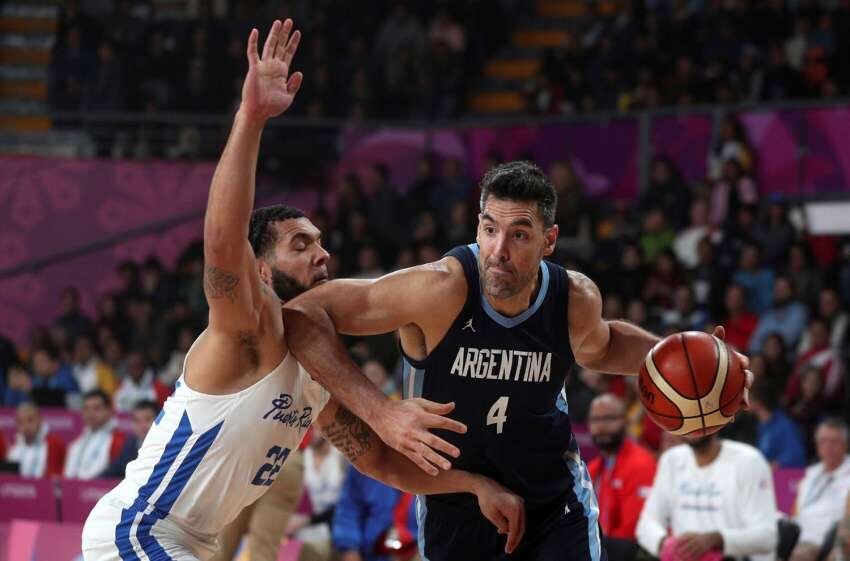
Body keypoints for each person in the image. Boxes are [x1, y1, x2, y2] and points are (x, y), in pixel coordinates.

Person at [82, 20, 524, 561]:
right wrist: (250, 119)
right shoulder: (246, 329)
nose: (322, 253)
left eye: (320, 241)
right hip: (140, 529)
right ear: (261, 271)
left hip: (188, 543)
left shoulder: (315, 366)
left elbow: (377, 461)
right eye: (299, 243)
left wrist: (472, 484)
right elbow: (222, 239)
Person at [283, 160, 753, 560]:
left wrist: (694, 363)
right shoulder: (438, 289)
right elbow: (304, 313)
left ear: (549, 241)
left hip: (552, 499)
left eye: (519, 234)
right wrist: (379, 410)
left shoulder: (573, 298)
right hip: (456, 498)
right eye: (490, 229)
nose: (499, 251)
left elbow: (604, 346)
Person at [636, 432, 779, 560]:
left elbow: (767, 537)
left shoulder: (749, 461)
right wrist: (667, 544)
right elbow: (645, 524)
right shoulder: (671, 460)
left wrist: (716, 539)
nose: (694, 424)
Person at [586, 394, 656, 545]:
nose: (601, 426)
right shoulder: (592, 468)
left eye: (609, 418)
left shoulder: (640, 464)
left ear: (626, 421)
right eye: (595, 420)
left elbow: (634, 531)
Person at [791, 418, 850, 561]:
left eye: (834, 441)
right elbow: (796, 512)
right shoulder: (810, 473)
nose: (828, 446)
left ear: (846, 445)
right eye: (823, 441)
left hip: (824, 539)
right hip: (797, 534)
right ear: (817, 445)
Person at [333, 465, 419, 561]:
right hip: (370, 551)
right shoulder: (363, 463)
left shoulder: (426, 465)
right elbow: (348, 510)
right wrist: (349, 547)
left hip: (414, 548)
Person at [65, 389, 127, 479]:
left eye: (96, 408)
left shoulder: (119, 441)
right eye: (86, 408)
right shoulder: (76, 444)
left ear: (109, 410)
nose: (90, 414)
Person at [749, 377, 807, 468]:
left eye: (748, 398)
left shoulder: (783, 425)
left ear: (758, 402)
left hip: (779, 479)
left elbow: (795, 454)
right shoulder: (756, 425)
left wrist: (770, 466)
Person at [6, 402, 66, 478]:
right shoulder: (12, 445)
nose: (26, 426)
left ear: (40, 420)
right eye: (20, 422)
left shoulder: (55, 444)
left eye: (30, 420)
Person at [100, 399, 159, 478]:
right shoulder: (130, 444)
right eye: (137, 420)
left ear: (159, 420)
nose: (142, 425)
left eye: (147, 419)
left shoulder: (167, 446)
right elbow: (116, 468)